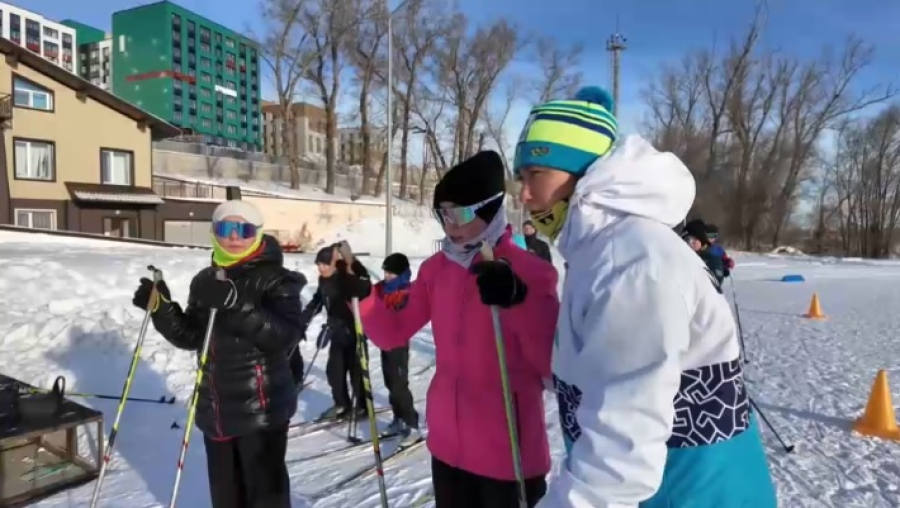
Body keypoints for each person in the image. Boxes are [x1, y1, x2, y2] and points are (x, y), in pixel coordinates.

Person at [513, 86, 776, 508]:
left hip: (690, 493)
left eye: (536, 174)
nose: (525, 195)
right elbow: (589, 371)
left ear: (583, 173)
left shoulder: (631, 260)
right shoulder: (596, 251)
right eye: (521, 178)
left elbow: (622, 452)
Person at [358, 150, 560, 508]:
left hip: (506, 455)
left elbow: (552, 368)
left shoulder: (530, 272)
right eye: (443, 213)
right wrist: (364, 296)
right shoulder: (437, 269)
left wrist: (518, 301)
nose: (449, 224)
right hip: (448, 448)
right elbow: (393, 332)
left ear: (491, 208)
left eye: (460, 212)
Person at [131, 199, 305, 508]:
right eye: (226, 228)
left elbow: (286, 336)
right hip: (217, 412)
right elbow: (194, 336)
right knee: (226, 499)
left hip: (261, 412)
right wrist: (162, 309)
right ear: (214, 233)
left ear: (258, 234)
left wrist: (237, 304)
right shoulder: (205, 280)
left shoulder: (277, 279)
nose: (234, 236)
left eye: (244, 229)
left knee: (266, 499)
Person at [300, 244, 372, 421]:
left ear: (333, 264)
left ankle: (362, 406)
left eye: (324, 264)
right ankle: (342, 405)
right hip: (337, 332)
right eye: (319, 265)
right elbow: (318, 299)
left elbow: (362, 290)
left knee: (356, 372)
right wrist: (304, 318)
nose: (321, 268)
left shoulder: (344, 279)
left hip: (354, 330)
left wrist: (351, 268)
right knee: (334, 371)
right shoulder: (324, 280)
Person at [371, 252, 421, 446]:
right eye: (385, 273)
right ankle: (398, 418)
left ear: (401, 274)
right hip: (385, 343)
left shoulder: (406, 292)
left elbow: (405, 316)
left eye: (391, 274)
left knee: (400, 385)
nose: (387, 277)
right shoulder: (383, 291)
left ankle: (413, 425)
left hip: (399, 344)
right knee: (390, 383)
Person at [682, 219, 726, 287]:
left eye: (693, 240)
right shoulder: (687, 255)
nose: (690, 243)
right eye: (686, 240)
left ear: (701, 239)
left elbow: (715, 283)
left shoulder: (711, 257)